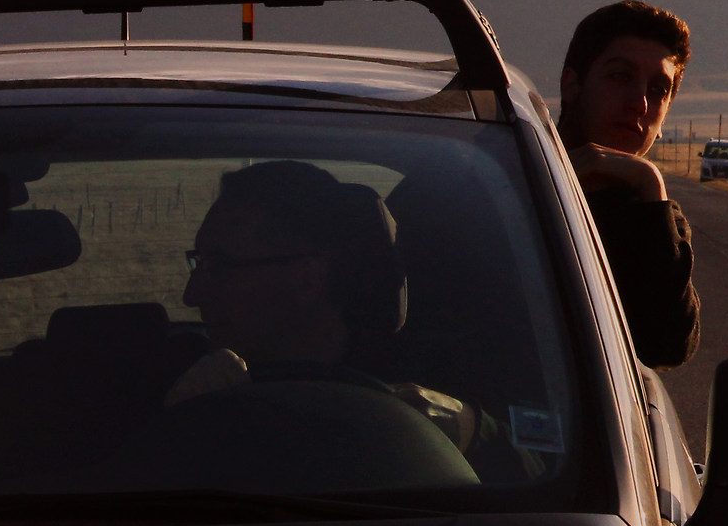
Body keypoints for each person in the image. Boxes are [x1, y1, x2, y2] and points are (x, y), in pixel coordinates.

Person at [172, 160, 492, 452]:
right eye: (198, 262)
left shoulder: (442, 375)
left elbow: (522, 460)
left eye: (218, 267)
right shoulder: (174, 373)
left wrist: (470, 428)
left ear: (307, 279)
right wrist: (180, 423)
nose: (191, 294)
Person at [557, 0, 700, 368]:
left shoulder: (650, 214)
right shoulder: (497, 183)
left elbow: (667, 346)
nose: (639, 103)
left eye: (658, 89)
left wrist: (650, 185)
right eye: (620, 76)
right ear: (572, 84)